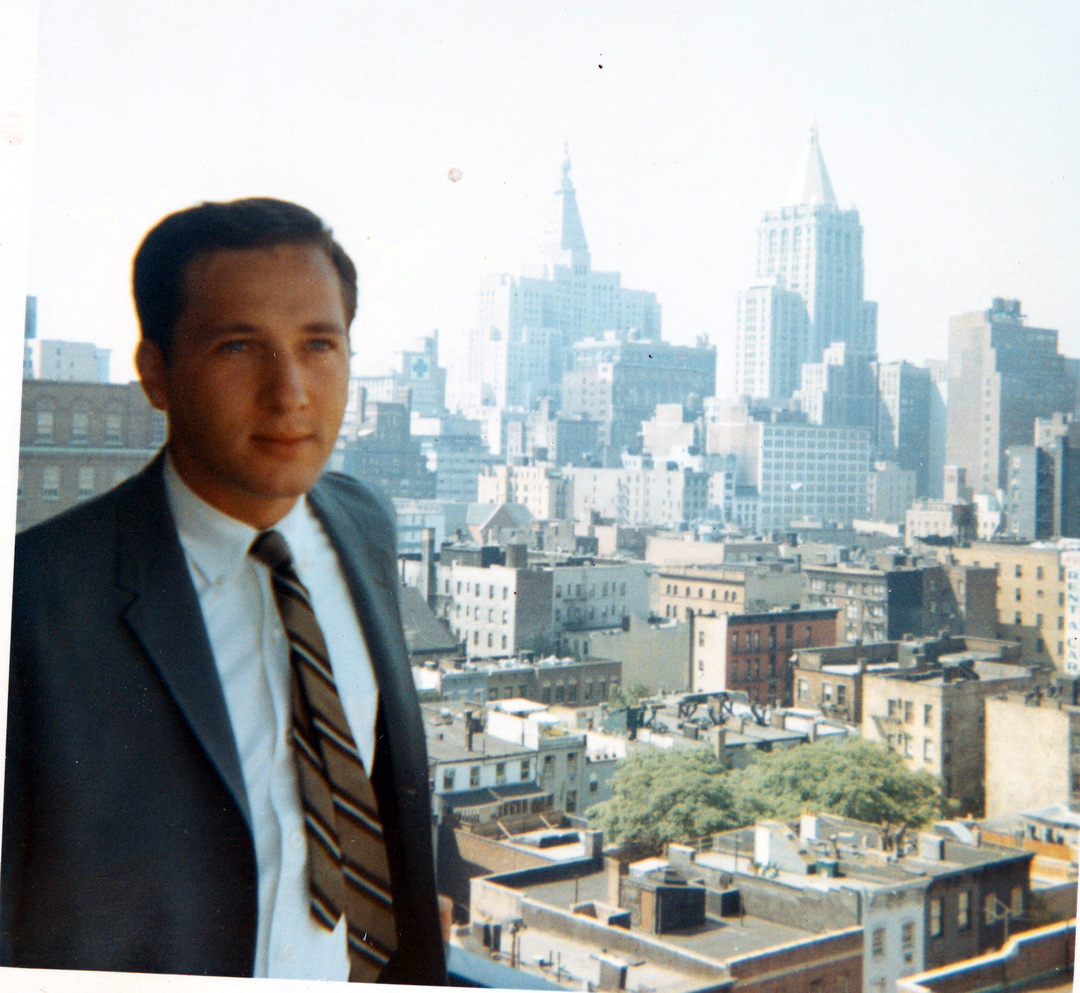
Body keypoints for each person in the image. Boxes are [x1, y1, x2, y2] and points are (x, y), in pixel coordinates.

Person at [0, 198, 447, 984]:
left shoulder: (363, 523)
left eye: (319, 344)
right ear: (156, 373)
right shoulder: (34, 596)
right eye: (238, 346)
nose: (290, 392)